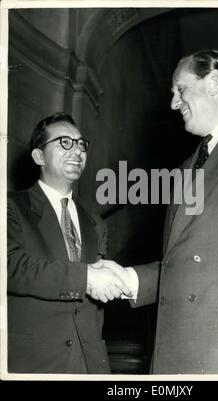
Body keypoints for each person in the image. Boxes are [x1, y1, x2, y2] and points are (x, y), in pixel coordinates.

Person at [102, 49, 218, 374]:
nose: (174, 103)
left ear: (214, 81)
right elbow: (188, 262)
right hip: (177, 357)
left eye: (180, 90)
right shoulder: (185, 170)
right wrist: (129, 278)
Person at [7, 112, 132, 374]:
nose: (77, 150)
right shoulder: (10, 207)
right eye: (65, 142)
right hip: (33, 363)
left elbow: (96, 298)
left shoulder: (95, 223)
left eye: (80, 143)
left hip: (88, 363)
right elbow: (9, 266)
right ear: (39, 156)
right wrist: (86, 278)